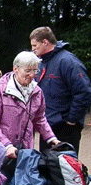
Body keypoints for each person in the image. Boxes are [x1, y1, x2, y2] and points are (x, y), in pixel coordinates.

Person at [0, 51, 59, 185]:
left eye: (35, 71)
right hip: (2, 154)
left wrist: (51, 138)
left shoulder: (36, 91)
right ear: (15, 69)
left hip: (24, 152)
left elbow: (39, 118)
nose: (32, 75)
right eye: (27, 71)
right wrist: (6, 145)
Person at [30, 26, 91, 154]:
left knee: (65, 168)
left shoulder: (68, 61)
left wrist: (71, 120)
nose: (33, 49)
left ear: (45, 42)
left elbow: (84, 91)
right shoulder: (42, 62)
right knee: (47, 166)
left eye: (35, 45)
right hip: (47, 126)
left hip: (65, 127)